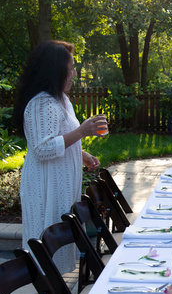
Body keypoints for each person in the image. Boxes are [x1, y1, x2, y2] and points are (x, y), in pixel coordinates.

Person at [14, 40, 108, 278]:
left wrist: (83, 154)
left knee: (59, 242)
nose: (75, 73)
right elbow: (42, 149)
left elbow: (59, 137)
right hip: (46, 188)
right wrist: (82, 132)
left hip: (61, 185)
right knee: (47, 246)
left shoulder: (60, 100)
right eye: (71, 67)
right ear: (55, 69)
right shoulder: (40, 103)